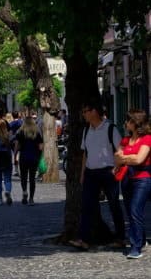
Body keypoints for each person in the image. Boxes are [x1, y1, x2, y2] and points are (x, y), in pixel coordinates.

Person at [70, 102, 125, 251]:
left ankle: (120, 238)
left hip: (108, 171)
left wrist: (116, 168)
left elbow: (120, 150)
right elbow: (85, 154)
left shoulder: (110, 128)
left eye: (85, 111)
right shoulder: (87, 130)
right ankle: (84, 239)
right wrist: (83, 174)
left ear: (94, 111)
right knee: (87, 205)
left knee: (114, 204)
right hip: (91, 172)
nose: (83, 114)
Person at [114, 109, 151, 259]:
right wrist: (129, 158)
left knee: (136, 210)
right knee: (130, 212)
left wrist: (125, 157)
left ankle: (136, 247)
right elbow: (117, 158)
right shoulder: (125, 140)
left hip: (142, 179)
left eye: (128, 120)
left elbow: (139, 160)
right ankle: (141, 239)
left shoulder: (147, 139)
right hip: (127, 179)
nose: (125, 123)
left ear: (135, 122)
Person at [14, 116, 43, 205]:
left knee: (23, 177)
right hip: (34, 157)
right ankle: (31, 199)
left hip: (23, 157)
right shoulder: (37, 132)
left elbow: (17, 146)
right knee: (32, 178)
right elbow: (41, 147)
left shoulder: (20, 132)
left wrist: (15, 155)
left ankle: (24, 191)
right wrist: (40, 155)